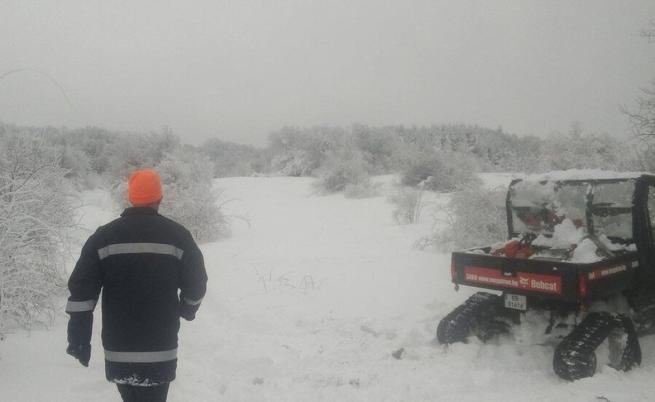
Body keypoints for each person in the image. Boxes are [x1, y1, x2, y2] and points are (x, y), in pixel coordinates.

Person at [66, 169, 208, 402]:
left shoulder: (104, 237)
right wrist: (187, 309)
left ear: (131, 198)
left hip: (118, 351)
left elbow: (82, 290)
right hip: (160, 349)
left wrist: (79, 338)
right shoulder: (178, 236)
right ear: (159, 198)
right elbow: (197, 283)